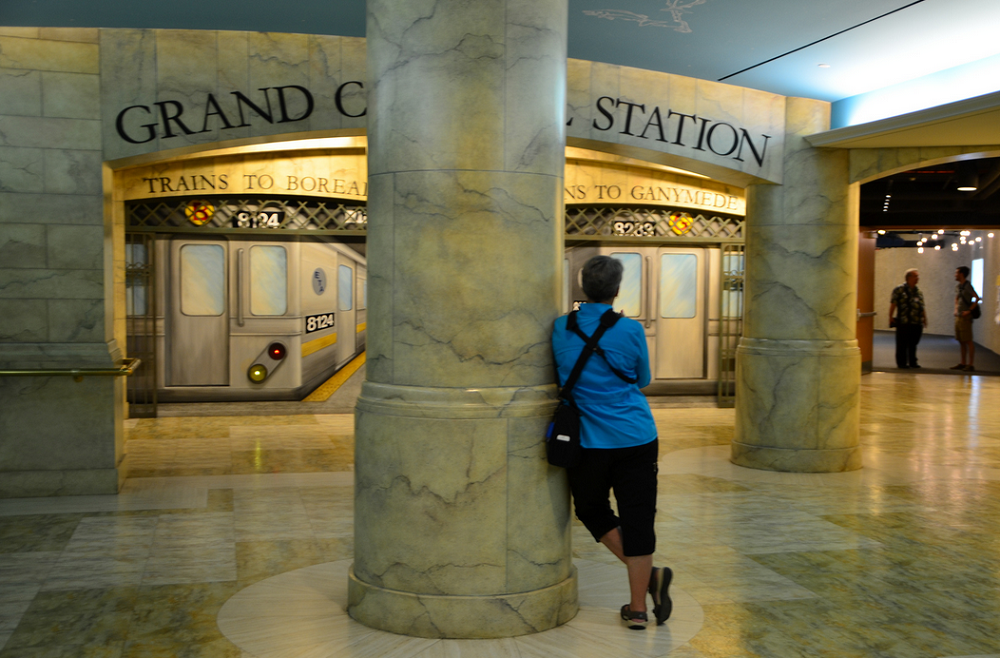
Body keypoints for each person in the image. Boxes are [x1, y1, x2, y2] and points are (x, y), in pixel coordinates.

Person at [551, 255, 671, 630]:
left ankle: (646, 589)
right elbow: (642, 380)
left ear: (582, 287)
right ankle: (640, 604)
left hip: (587, 441)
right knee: (638, 517)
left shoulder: (560, 328)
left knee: (591, 509)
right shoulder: (630, 330)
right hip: (636, 436)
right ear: (617, 290)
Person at [888, 268, 927, 369]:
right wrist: (890, 316)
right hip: (903, 321)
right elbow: (893, 304)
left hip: (916, 322)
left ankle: (913, 362)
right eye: (916, 276)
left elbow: (922, 306)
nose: (918, 278)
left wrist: (925, 318)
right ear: (909, 277)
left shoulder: (918, 291)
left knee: (913, 343)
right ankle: (902, 363)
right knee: (902, 343)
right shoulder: (899, 289)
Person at [951, 266, 980, 372]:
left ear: (961, 274)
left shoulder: (968, 286)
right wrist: (955, 309)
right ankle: (963, 363)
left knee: (968, 340)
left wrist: (969, 311)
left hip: (966, 317)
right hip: (959, 316)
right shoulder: (959, 286)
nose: (955, 275)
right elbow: (957, 298)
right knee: (961, 340)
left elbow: (976, 298)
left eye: (956, 273)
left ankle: (970, 364)